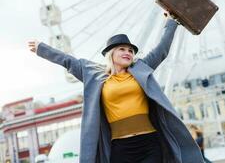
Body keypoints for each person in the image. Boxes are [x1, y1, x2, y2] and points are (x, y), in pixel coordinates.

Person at [28, 14, 205, 163]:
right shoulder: (94, 75)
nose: (128, 52)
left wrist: (170, 23)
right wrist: (41, 49)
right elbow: (67, 61)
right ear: (111, 54)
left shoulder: (141, 67)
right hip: (120, 147)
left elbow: (162, 50)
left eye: (130, 50)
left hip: (149, 143)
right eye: (122, 49)